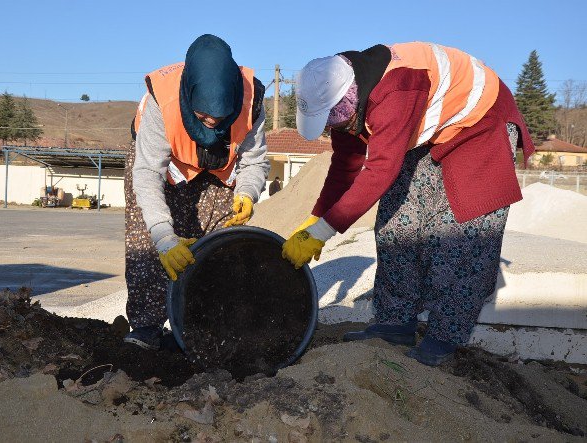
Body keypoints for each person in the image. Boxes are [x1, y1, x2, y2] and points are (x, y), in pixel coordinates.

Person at [282, 42, 535, 365]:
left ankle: (444, 338)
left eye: (337, 123)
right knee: (398, 223)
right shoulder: (346, 103)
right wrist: (315, 218)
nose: (336, 129)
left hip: (479, 122)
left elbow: (378, 172)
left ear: (349, 101)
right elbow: (346, 163)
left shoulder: (394, 91)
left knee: (459, 237)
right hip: (430, 127)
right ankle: (394, 322)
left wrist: (324, 230)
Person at [124, 34, 270, 350]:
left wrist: (246, 192)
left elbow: (255, 160)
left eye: (221, 118)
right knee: (149, 245)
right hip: (160, 168)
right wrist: (164, 237)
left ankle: (203, 326)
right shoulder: (162, 101)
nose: (213, 124)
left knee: (218, 245)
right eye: (204, 117)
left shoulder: (251, 99)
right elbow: (148, 174)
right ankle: (147, 328)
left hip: (215, 172)